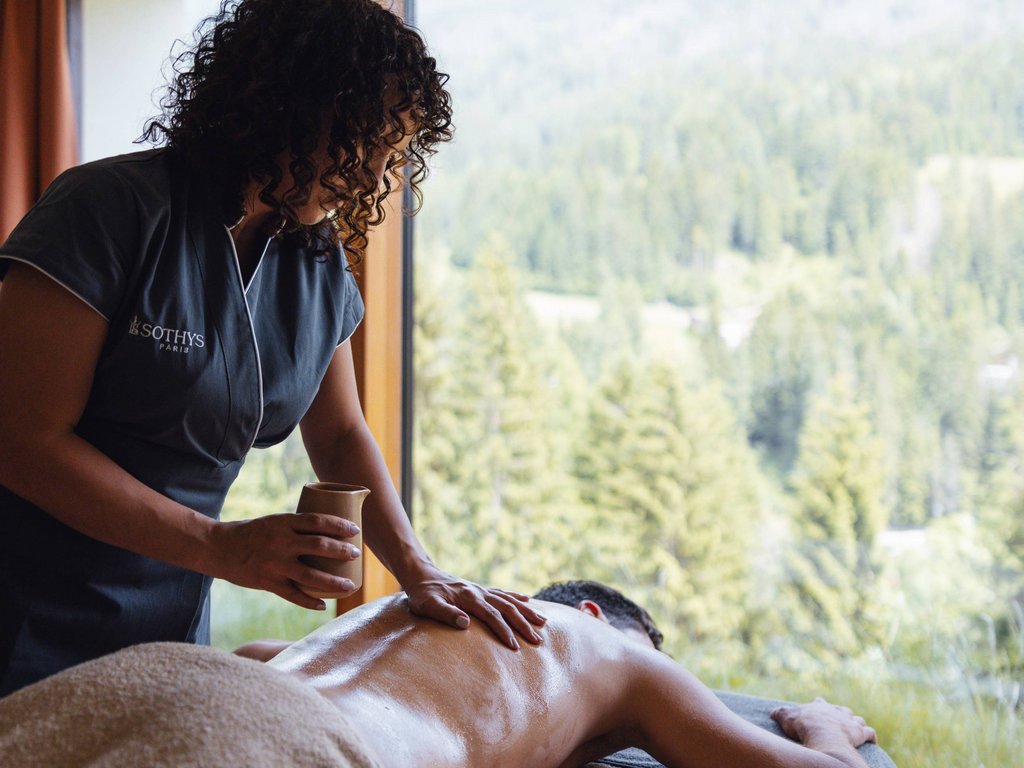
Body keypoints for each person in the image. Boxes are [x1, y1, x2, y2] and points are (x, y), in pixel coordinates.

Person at [0, 0, 543, 697]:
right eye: (361, 139)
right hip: (22, 617)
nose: (372, 176)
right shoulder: (107, 210)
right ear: (286, 102)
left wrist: (419, 569)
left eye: (392, 155)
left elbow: (342, 435)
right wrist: (221, 547)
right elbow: (19, 438)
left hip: (163, 636)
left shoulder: (313, 262)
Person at [229, 579, 882, 768]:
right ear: (595, 613)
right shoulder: (620, 656)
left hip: (230, 711)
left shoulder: (435, 609)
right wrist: (822, 725)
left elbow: (254, 655)